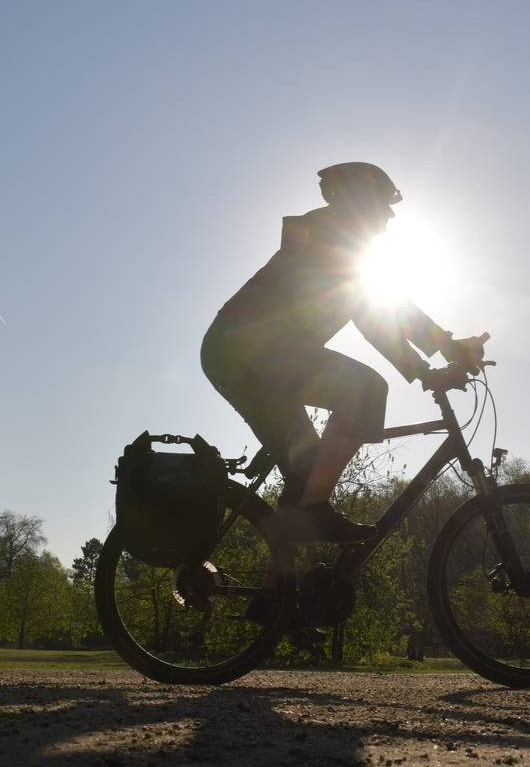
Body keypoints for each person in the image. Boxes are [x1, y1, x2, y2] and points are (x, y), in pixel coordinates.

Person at [200, 162, 483, 544]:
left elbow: (384, 310)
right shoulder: (330, 241)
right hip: (249, 353)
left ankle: (275, 598)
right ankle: (315, 511)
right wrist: (434, 360)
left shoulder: (336, 242)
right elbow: (375, 315)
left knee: (306, 473)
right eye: (383, 204)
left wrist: (435, 357)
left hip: (247, 355)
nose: (390, 214)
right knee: (365, 389)